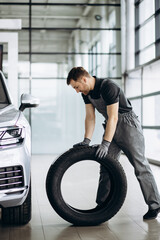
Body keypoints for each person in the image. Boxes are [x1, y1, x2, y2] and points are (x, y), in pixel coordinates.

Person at [66, 66, 160, 220]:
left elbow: (114, 117)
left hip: (128, 126)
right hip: (111, 127)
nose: (77, 91)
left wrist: (105, 143)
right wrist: (86, 140)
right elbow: (90, 117)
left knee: (140, 166)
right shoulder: (86, 93)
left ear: (84, 79)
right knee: (106, 165)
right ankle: (102, 206)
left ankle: (155, 204)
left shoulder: (109, 87)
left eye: (76, 87)